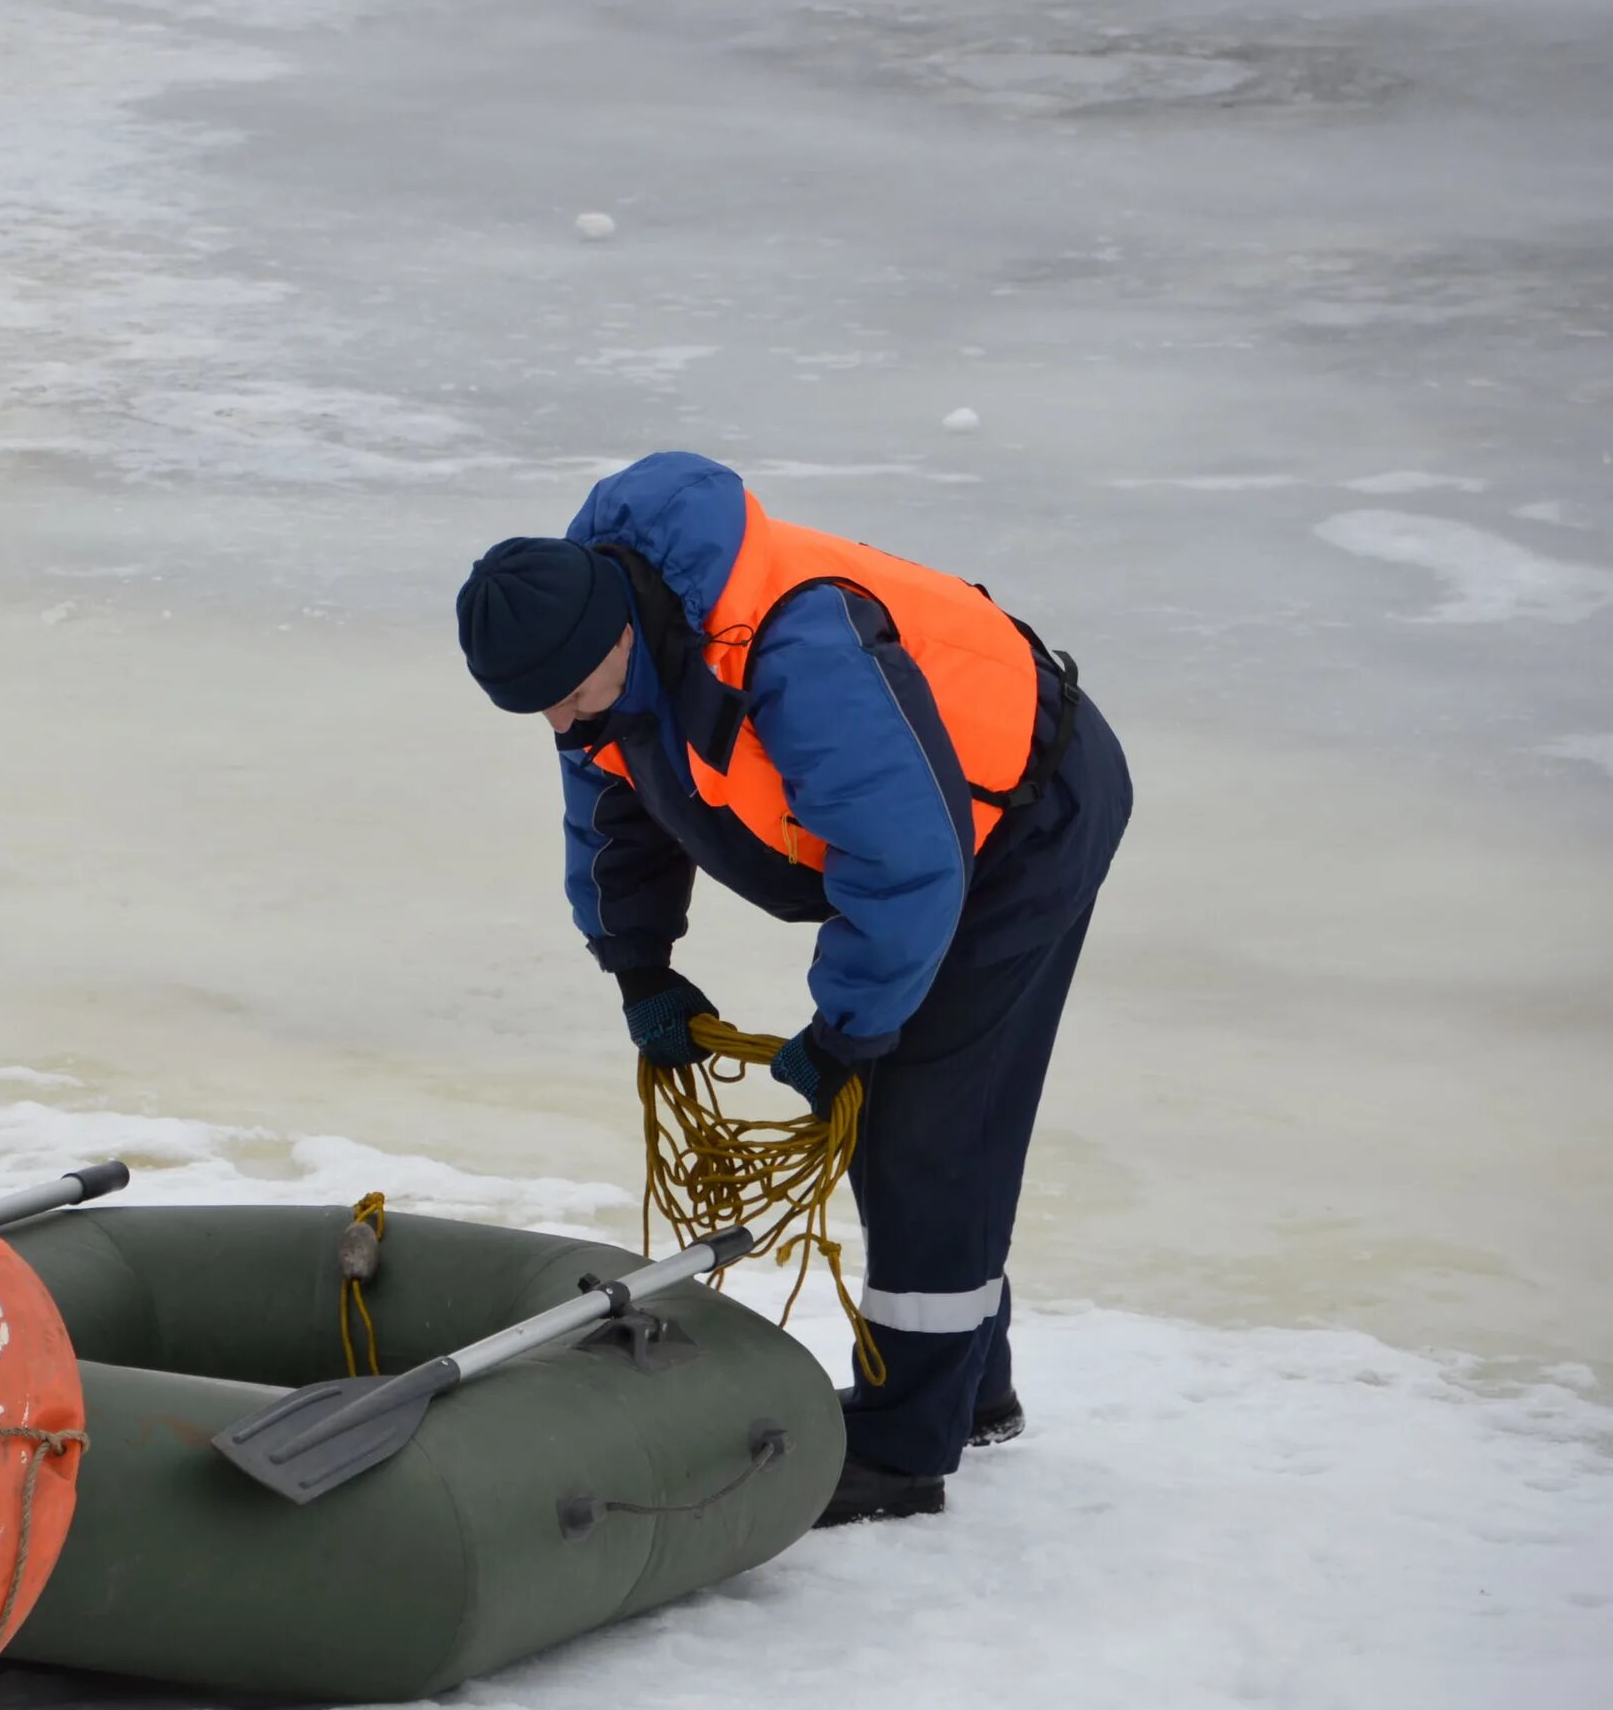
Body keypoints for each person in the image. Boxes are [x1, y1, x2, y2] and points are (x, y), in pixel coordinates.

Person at [454, 451, 1130, 1523]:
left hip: (1023, 825)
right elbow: (613, 814)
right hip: (928, 839)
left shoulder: (796, 647)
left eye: (569, 700)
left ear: (615, 639)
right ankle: (970, 1389)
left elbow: (907, 865)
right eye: (537, 714)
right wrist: (639, 965)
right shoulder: (592, 664)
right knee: (921, 1118)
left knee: (922, 1121)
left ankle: (909, 1448)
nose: (562, 729)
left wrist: (850, 1026)